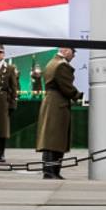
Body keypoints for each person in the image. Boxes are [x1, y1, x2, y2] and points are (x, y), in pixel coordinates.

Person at [37, 46, 79, 179]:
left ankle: (51, 171)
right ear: (66, 50)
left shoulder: (51, 62)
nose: (73, 56)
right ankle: (51, 171)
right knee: (55, 139)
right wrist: (79, 96)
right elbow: (67, 87)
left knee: (51, 138)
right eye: (73, 53)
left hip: (51, 102)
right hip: (58, 103)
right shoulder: (61, 66)